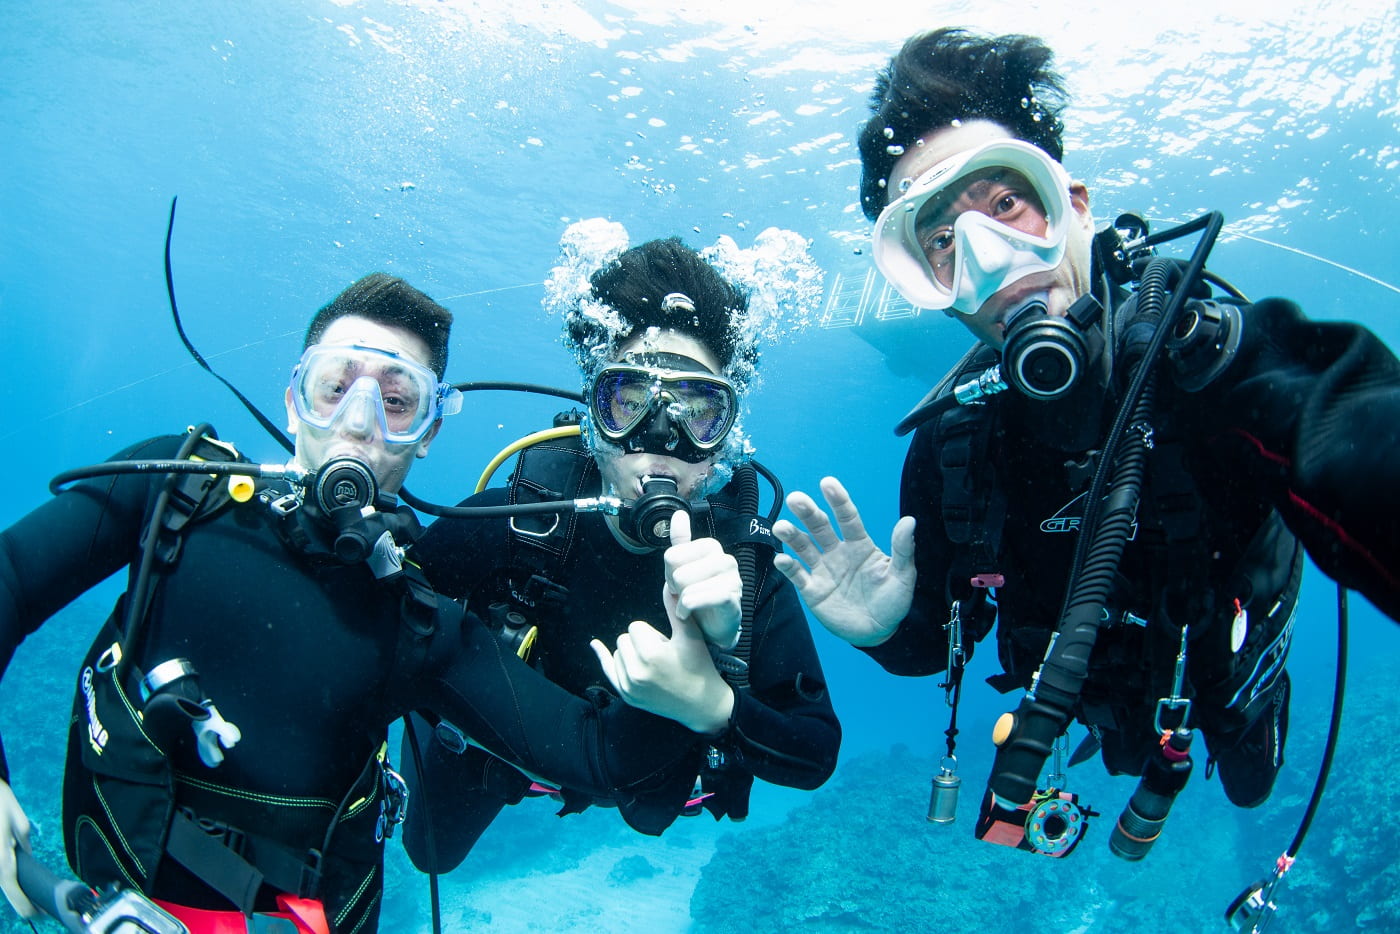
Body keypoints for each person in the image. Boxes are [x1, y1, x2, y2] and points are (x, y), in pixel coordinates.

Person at [773, 27, 1400, 850]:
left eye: (1007, 205)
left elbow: (1355, 428)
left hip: (1218, 666)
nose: (992, 263)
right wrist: (889, 632)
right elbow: (936, 635)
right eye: (942, 242)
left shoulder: (1212, 361)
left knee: (1250, 785)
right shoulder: (954, 441)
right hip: (1087, 701)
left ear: (1073, 205)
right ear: (929, 284)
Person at [0, 272, 724, 933]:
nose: (359, 420)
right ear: (293, 398)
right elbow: (10, 577)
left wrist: (695, 695)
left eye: (398, 400)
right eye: (334, 385)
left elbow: (596, 755)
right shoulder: (174, 494)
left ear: (428, 432)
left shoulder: (416, 622)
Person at [400, 231, 840, 873]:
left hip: (652, 775)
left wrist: (713, 704)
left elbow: (814, 753)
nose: (659, 440)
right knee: (429, 854)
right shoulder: (517, 524)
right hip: (501, 760)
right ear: (590, 414)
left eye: (697, 412)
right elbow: (384, 603)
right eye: (628, 403)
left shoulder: (742, 569)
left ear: (724, 439)